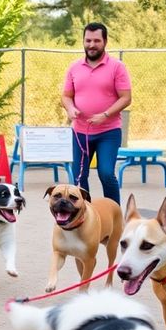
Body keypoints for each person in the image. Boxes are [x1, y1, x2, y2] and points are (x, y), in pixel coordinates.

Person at [61, 22, 132, 205]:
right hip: (80, 132)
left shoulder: (117, 67)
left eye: (96, 41)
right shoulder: (74, 67)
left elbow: (126, 98)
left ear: (105, 42)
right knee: (78, 176)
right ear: (83, 41)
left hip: (108, 132)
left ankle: (114, 215)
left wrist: (105, 115)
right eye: (88, 40)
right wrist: (70, 109)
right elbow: (66, 96)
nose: (91, 45)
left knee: (106, 173)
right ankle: (86, 214)